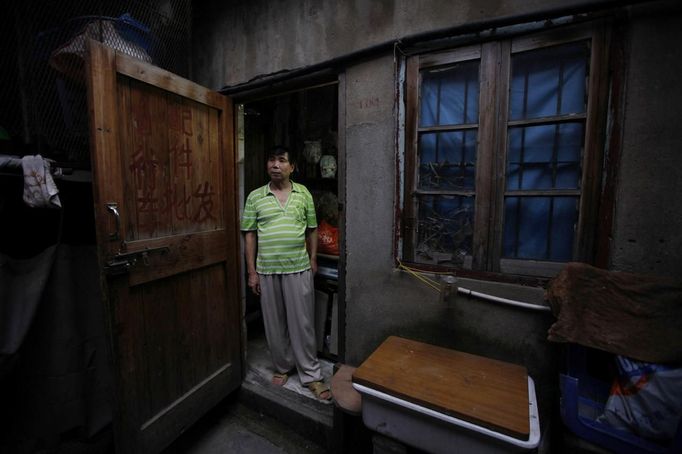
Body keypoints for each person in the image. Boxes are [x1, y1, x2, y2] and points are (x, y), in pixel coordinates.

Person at [240, 145, 331, 401]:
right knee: (274, 322)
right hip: (267, 269)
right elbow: (250, 234)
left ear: (292, 167)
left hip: (298, 267)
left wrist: (313, 258)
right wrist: (252, 272)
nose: (275, 165)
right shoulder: (255, 197)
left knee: (302, 322)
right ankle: (282, 366)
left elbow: (312, 229)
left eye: (281, 160)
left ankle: (311, 374)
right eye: (271, 160)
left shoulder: (303, 194)